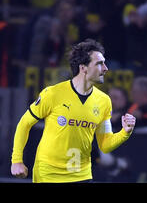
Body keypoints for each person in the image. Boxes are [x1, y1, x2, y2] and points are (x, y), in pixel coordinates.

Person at [10, 39, 136, 183]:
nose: (106, 68)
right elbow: (24, 124)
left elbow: (105, 145)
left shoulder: (104, 101)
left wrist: (125, 133)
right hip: (48, 175)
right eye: (100, 63)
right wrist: (17, 160)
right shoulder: (53, 94)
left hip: (81, 176)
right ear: (83, 68)